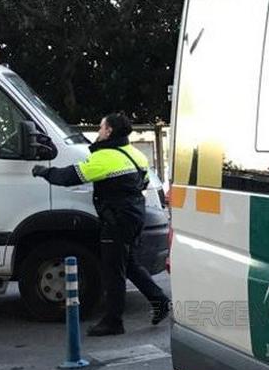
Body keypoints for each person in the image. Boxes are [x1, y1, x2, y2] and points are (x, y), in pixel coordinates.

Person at [33, 113, 170, 336]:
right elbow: (142, 182)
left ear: (109, 131)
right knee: (130, 264)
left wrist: (44, 172)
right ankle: (160, 300)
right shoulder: (134, 154)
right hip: (135, 215)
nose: (98, 132)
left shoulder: (106, 157)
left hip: (116, 220)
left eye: (101, 127)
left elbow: (70, 176)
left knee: (113, 270)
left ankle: (113, 321)